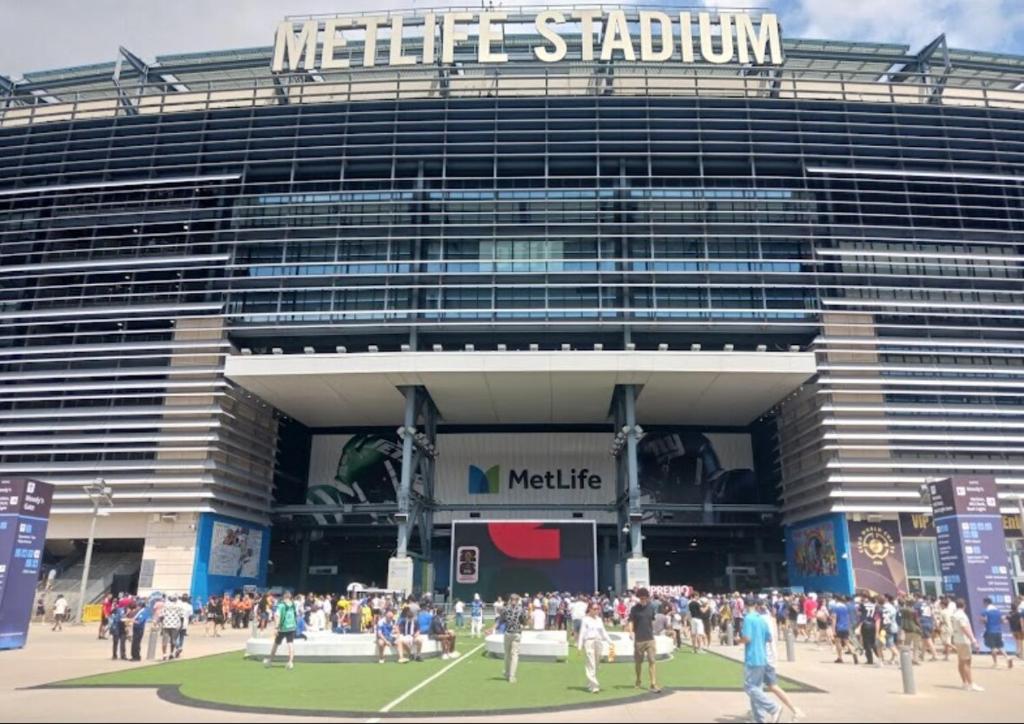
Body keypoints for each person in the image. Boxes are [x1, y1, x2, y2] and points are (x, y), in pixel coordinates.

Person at [758, 597, 804, 720]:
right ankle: (759, 712)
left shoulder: (761, 620)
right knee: (758, 686)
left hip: (765, 657)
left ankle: (791, 709)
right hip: (769, 655)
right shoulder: (771, 619)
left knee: (768, 686)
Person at [740, 598, 781, 723]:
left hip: (753, 657)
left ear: (745, 605)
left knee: (750, 687)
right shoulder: (761, 619)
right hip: (762, 656)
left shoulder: (748, 618)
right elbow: (769, 638)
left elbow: (747, 638)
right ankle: (759, 719)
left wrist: (738, 640)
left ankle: (773, 708)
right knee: (757, 689)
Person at [627, 587, 661, 693]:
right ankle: (638, 680)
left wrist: (654, 631)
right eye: (641, 598)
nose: (643, 600)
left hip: (650, 638)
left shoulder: (651, 608)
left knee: (652, 661)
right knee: (638, 662)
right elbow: (631, 621)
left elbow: (652, 620)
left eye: (645, 598)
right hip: (639, 639)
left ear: (647, 598)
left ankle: (653, 683)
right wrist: (631, 632)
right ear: (639, 598)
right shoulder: (634, 609)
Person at [492, 593, 528, 684]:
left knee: (507, 655)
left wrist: (492, 628)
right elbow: (524, 622)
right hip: (517, 633)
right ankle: (512, 676)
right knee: (515, 655)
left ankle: (507, 673)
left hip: (508, 633)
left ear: (510, 600)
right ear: (518, 600)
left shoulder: (505, 609)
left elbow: (500, 621)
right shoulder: (521, 610)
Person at [578, 601, 612, 694]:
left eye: (598, 609)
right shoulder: (585, 619)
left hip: (598, 641)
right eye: (595, 609)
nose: (597, 611)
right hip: (589, 642)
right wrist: (579, 646)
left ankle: (590, 683)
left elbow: (603, 632)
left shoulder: (599, 620)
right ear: (590, 609)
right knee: (591, 663)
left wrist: (610, 642)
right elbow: (582, 633)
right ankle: (594, 686)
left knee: (596, 664)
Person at [951, 598, 983, 691]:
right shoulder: (962, 615)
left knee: (961, 662)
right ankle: (971, 683)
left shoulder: (954, 615)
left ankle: (964, 682)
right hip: (964, 640)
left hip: (957, 639)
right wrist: (973, 640)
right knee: (967, 662)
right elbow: (964, 627)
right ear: (964, 605)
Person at [263, 590, 298, 670]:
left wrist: (276, 627)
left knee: (276, 644)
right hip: (292, 627)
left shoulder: (281, 605)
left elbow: (277, 616)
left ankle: (270, 660)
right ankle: (290, 662)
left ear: (284, 596)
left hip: (282, 628)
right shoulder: (293, 604)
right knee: (290, 644)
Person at [980, 597, 1014, 670]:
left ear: (986, 603)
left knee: (993, 647)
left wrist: (983, 621)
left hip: (990, 630)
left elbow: (983, 620)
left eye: (983, 603)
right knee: (1000, 646)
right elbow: (1002, 620)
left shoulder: (985, 611)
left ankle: (995, 663)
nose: (983, 604)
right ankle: (1007, 657)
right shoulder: (998, 611)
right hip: (998, 631)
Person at [832, 595, 858, 664]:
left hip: (838, 627)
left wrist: (833, 629)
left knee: (838, 642)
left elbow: (834, 619)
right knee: (847, 642)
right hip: (845, 627)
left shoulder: (835, 607)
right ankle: (853, 652)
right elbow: (848, 617)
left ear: (836, 599)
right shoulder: (845, 607)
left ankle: (840, 657)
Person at [160, 594, 183, 661]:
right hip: (175, 625)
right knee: (173, 640)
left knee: (164, 641)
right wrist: (181, 625)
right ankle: (171, 653)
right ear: (175, 600)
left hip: (166, 625)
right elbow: (181, 617)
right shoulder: (178, 606)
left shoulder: (165, 606)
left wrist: (161, 623)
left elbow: (161, 616)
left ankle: (164, 655)